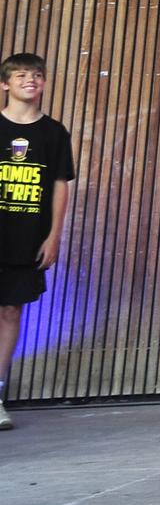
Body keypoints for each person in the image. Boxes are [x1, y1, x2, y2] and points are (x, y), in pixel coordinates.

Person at [0, 52, 73, 432]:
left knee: (11, 311)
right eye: (22, 75)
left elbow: (60, 185)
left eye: (38, 75)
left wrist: (54, 235)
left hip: (26, 237)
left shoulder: (54, 133)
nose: (31, 80)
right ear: (5, 84)